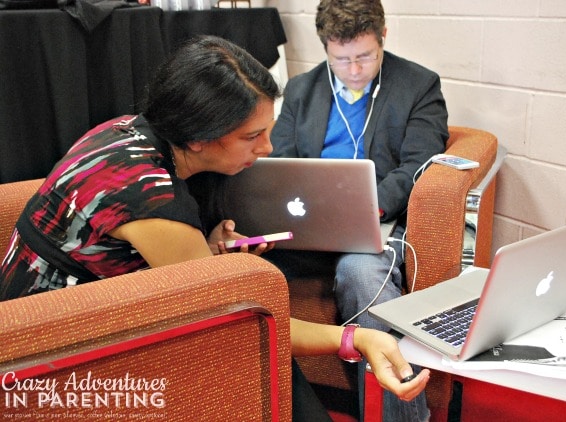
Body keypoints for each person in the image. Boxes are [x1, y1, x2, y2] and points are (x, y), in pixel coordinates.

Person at [0, 36, 429, 421]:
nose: (265, 150)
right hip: (48, 348)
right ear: (200, 136)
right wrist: (354, 337)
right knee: (252, 343)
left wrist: (201, 246)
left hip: (54, 307)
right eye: (251, 137)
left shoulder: (130, 131)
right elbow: (237, 315)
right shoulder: (153, 199)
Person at [268, 0, 449, 420]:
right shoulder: (301, 89)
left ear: (383, 36)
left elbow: (418, 164)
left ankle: (404, 416)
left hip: (378, 222)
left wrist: (369, 207)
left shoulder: (418, 85)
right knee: (241, 268)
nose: (353, 70)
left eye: (365, 57)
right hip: (304, 226)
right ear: (326, 49)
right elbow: (280, 160)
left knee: (361, 275)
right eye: (341, 59)